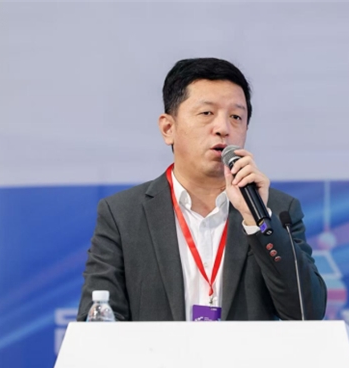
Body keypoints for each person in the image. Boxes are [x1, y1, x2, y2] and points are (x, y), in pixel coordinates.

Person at [77, 58, 326, 321]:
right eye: (207, 113)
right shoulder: (123, 215)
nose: (223, 129)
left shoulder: (275, 211)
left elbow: (307, 313)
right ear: (168, 128)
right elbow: (97, 320)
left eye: (236, 117)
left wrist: (257, 221)